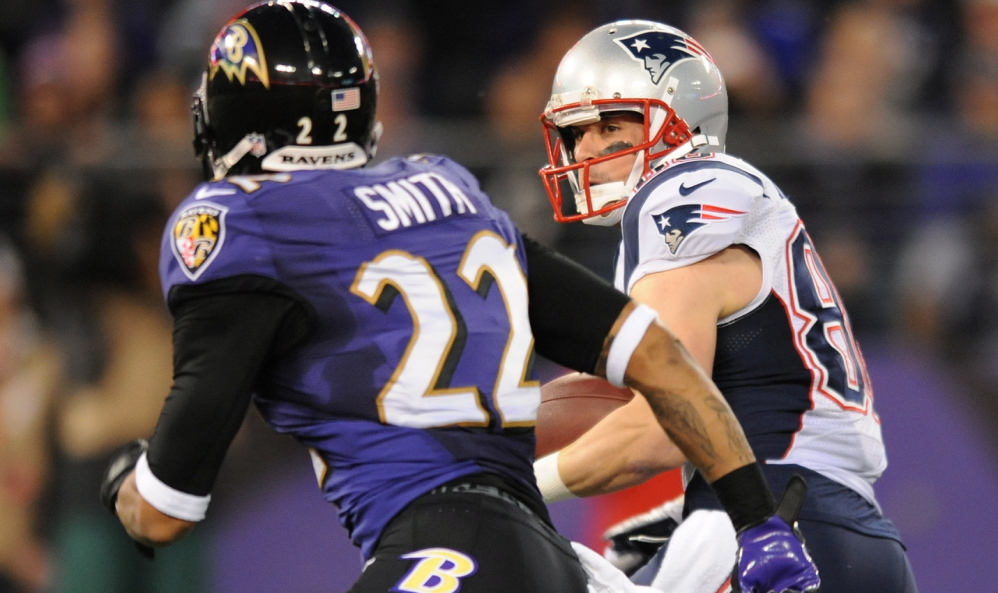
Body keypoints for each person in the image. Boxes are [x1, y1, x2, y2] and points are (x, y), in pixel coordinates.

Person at [98, 3, 820, 593]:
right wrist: (756, 520)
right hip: (547, 561)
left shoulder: (243, 224)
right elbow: (658, 356)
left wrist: (129, 483)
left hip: (443, 550)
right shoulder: (447, 192)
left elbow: (164, 512)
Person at [534, 19, 917, 593]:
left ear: (677, 123)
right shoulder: (731, 201)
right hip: (841, 532)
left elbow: (662, 426)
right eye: (576, 131)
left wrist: (519, 480)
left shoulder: (681, 193)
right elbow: (669, 389)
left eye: (609, 126)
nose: (585, 148)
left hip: (775, 526)